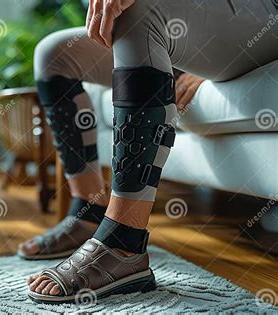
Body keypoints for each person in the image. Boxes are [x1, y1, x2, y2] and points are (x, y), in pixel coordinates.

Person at [19, 0, 278, 303]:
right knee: (53, 53)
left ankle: (122, 242)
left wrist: (202, 66)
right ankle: (89, 211)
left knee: (138, 8)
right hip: (198, 18)